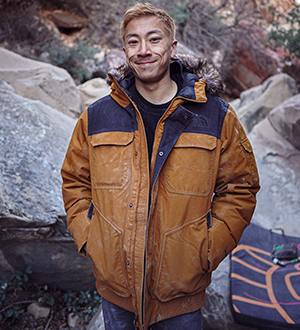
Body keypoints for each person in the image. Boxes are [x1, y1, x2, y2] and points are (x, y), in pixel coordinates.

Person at [61, 2, 260, 330]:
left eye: (154, 39)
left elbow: (240, 187)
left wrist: (206, 250)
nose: (143, 50)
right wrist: (90, 237)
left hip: (180, 295)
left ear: (172, 46)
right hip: (116, 291)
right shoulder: (96, 116)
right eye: (133, 41)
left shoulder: (216, 116)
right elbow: (74, 180)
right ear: (124, 50)